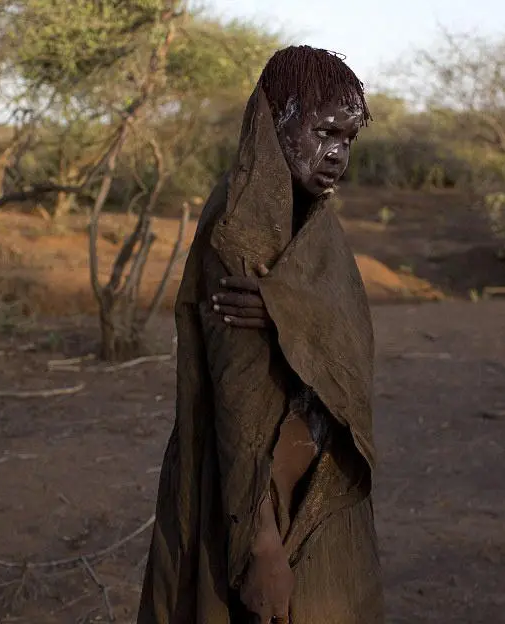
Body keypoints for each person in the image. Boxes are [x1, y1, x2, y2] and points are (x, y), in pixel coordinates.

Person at [137, 45, 383, 624]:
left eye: (348, 140)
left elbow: (349, 334)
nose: (336, 155)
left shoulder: (312, 218)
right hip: (252, 498)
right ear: (276, 119)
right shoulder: (243, 226)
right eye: (324, 131)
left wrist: (285, 311)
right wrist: (262, 546)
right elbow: (239, 404)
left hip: (312, 480)